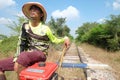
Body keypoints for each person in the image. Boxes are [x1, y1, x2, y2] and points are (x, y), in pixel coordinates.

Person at [0, 2, 70, 80]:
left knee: (23, 56)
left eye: (36, 9)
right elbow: (21, 43)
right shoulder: (25, 26)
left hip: (40, 54)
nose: (33, 11)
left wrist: (65, 38)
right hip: (25, 56)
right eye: (31, 9)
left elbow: (55, 39)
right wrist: (17, 58)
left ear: (41, 15)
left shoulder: (45, 28)